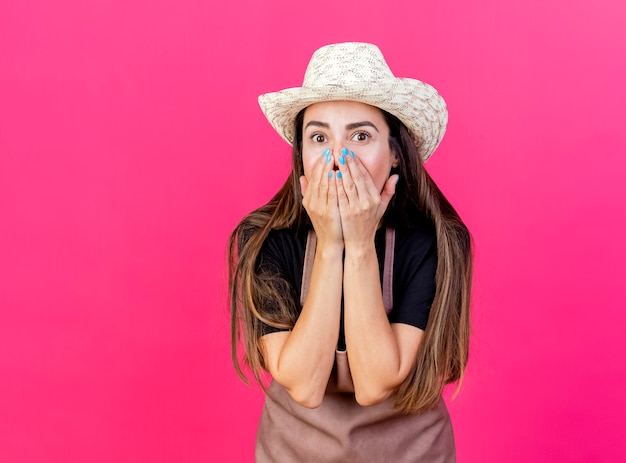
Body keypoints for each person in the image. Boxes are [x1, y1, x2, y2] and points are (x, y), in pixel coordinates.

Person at [228, 42, 472, 462]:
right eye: (319, 136)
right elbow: (303, 385)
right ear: (300, 155)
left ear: (395, 153)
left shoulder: (432, 242)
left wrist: (358, 244)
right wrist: (331, 244)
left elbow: (377, 380)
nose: (337, 158)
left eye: (361, 136)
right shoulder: (265, 239)